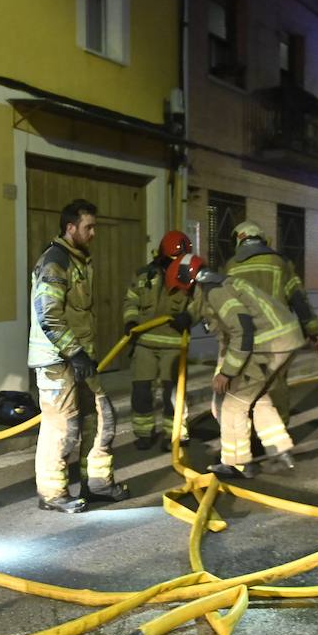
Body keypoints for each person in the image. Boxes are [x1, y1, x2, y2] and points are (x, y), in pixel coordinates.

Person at [27, 198, 128, 513]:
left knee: (101, 418)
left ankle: (97, 485)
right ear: (70, 228)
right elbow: (49, 315)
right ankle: (52, 494)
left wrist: (83, 355)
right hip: (58, 362)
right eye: (89, 227)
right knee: (62, 427)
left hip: (79, 358)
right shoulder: (55, 262)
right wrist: (76, 353)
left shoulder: (79, 260)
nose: (94, 233)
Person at [168, 252, 305, 478]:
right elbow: (209, 310)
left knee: (232, 404)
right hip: (286, 341)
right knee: (258, 398)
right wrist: (186, 318)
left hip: (267, 346)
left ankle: (238, 463)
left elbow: (242, 329)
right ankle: (280, 452)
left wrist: (227, 373)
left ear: (189, 280)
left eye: (183, 289)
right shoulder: (219, 284)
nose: (185, 294)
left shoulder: (215, 291)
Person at [223, 221, 318, 423]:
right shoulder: (280, 263)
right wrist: (311, 328)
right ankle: (278, 433)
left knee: (246, 385)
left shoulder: (231, 266)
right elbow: (298, 298)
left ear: (239, 239)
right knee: (276, 384)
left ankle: (249, 431)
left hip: (245, 338)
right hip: (278, 337)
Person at [121, 230, 193, 452]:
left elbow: (200, 304)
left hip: (174, 344)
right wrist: (131, 322)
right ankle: (144, 433)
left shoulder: (190, 276)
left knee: (173, 393)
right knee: (141, 391)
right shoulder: (144, 275)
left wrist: (189, 317)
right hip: (144, 342)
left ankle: (175, 434)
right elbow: (131, 300)